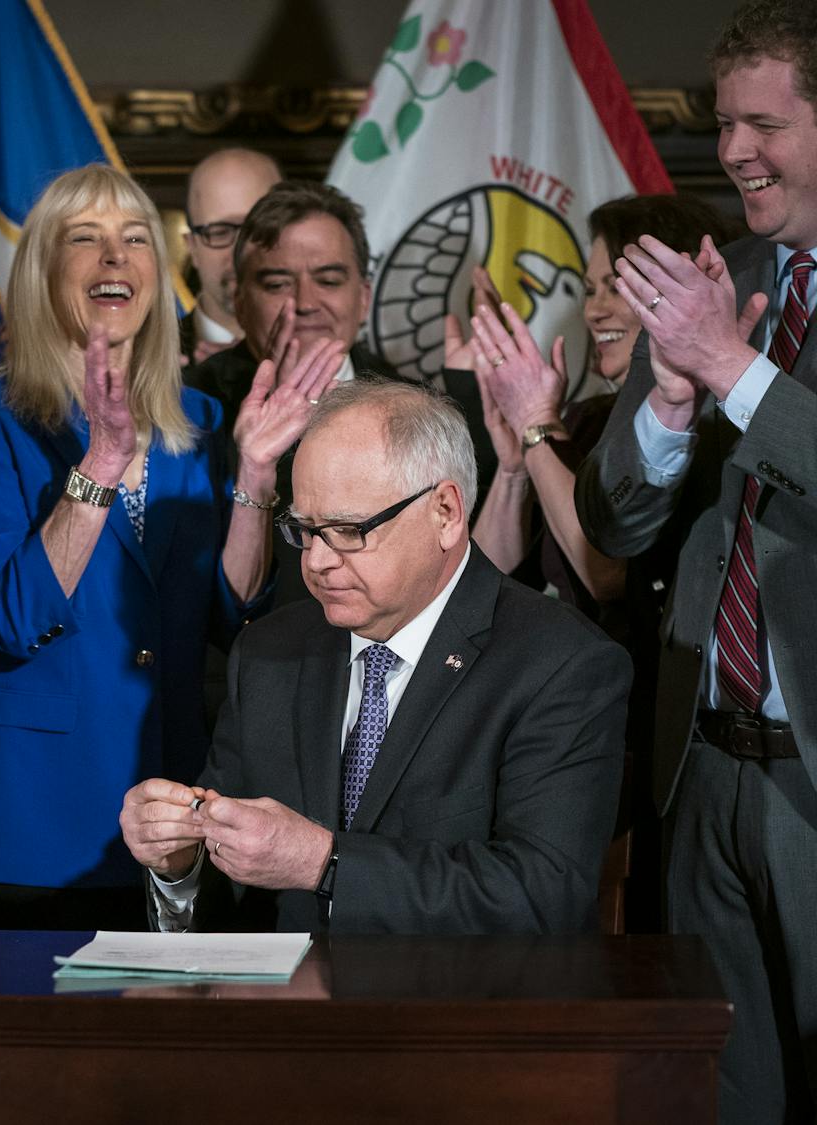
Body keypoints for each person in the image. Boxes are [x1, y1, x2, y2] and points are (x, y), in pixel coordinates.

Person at [0, 164, 341, 930]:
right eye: (85, 239)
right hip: (32, 828)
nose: (115, 258)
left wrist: (256, 471)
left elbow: (234, 614)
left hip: (177, 812)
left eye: (134, 240)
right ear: (41, 272)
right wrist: (99, 467)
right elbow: (10, 616)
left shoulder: (203, 419)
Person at [121, 378, 628, 935]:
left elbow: (542, 897)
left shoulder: (561, 664)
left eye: (346, 530)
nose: (315, 562)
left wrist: (323, 862)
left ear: (445, 513)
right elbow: (234, 898)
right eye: (304, 530)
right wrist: (180, 863)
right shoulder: (270, 654)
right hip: (283, 1011)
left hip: (460, 1012)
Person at [575, 3, 817, 1119]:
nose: (729, 153)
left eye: (760, 123)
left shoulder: (723, 323)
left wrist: (729, 368)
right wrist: (668, 402)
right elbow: (614, 522)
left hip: (807, 788)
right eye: (721, 124)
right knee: (725, 1096)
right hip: (699, 768)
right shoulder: (721, 281)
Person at [466, 195, 739, 935]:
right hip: (551, 737)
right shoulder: (580, 417)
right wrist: (516, 460)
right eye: (588, 288)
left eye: (616, 283)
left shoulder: (695, 432)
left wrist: (535, 425)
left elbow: (604, 569)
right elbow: (484, 571)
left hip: (646, 747)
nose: (595, 307)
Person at [187, 180, 497, 607]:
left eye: (329, 280)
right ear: (240, 301)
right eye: (277, 284)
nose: (305, 302)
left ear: (364, 296)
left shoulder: (420, 405)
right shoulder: (189, 409)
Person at [179, 148, 281, 365]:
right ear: (192, 247)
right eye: (219, 232)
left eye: (258, 227)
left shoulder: (356, 367)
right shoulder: (141, 364)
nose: (240, 251)